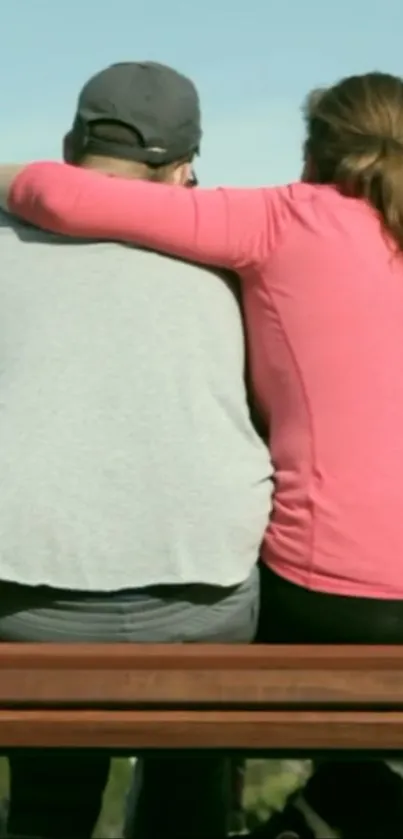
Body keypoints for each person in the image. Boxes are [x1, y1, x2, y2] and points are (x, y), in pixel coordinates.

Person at [7, 68, 403, 828]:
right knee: (210, 664)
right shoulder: (259, 245)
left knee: (187, 676)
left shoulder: (282, 221)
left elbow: (59, 197)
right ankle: (331, 803)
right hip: (297, 613)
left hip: (326, 595)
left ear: (313, 155)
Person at [0, 61, 271, 839]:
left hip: (29, 605)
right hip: (205, 603)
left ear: (70, 145)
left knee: (53, 789)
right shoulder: (232, 258)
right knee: (189, 770)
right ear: (185, 168)